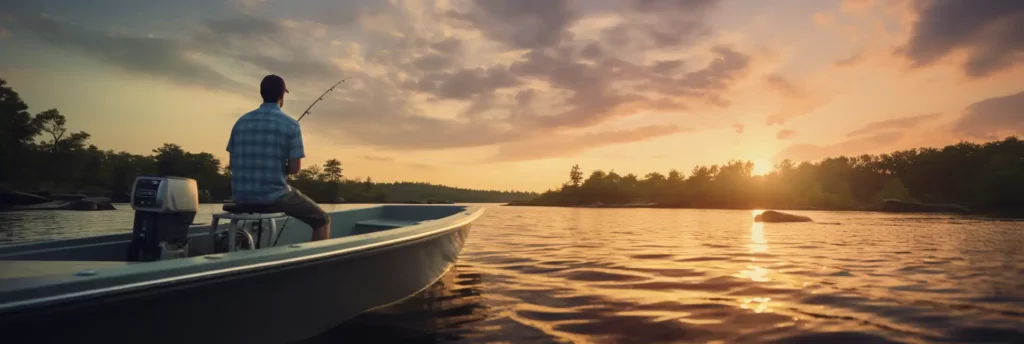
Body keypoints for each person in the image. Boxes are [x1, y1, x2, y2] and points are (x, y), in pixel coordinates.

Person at [226, 74, 331, 241]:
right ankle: (317, 264)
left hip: (240, 197)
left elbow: (231, 164)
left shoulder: (241, 122)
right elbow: (295, 169)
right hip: (272, 198)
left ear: (261, 93)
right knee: (322, 220)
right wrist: (282, 169)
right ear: (282, 96)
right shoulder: (290, 124)